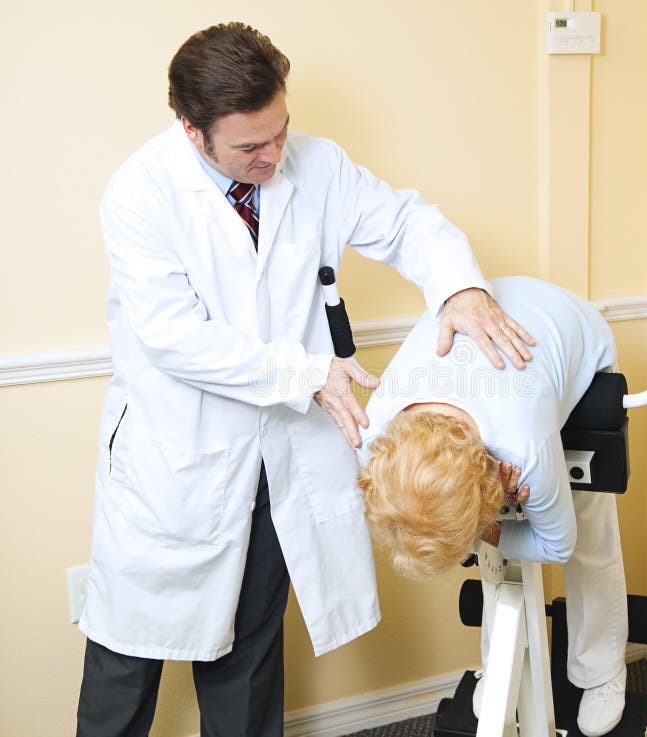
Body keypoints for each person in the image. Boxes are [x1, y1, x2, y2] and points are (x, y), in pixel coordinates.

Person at [76, 22, 536, 737]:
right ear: (193, 133)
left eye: (280, 133)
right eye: (249, 147)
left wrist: (458, 289)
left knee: (251, 656)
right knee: (124, 669)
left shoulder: (317, 165)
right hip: (175, 462)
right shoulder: (140, 192)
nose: (273, 156)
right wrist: (309, 372)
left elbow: (407, 223)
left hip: (274, 459)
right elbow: (174, 337)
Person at [357, 276, 629, 737]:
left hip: (570, 332)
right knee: (493, 551)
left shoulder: (523, 444)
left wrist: (488, 522)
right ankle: (502, 664)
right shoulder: (374, 441)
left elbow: (559, 544)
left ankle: (601, 672)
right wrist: (485, 528)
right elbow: (465, 520)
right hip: (491, 344)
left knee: (588, 528)